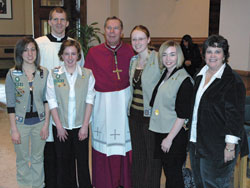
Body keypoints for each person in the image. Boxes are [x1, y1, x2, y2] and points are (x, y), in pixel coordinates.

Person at [188, 35, 249, 188]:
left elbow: (235, 117)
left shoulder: (232, 80)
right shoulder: (199, 76)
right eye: (209, 51)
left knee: (215, 184)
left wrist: (230, 146)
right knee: (199, 183)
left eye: (217, 51)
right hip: (197, 141)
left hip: (219, 145)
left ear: (224, 55)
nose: (213, 55)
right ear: (204, 54)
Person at [35, 7, 84, 187]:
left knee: (67, 153)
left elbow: (82, 76)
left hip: (69, 109)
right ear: (49, 22)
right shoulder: (39, 44)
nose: (58, 23)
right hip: (47, 105)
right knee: (49, 151)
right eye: (55, 19)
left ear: (67, 23)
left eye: (62, 19)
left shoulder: (73, 44)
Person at [84, 16, 134, 188]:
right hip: (102, 107)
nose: (112, 32)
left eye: (116, 28)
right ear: (104, 30)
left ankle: (125, 182)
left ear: (122, 32)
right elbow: (87, 84)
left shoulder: (130, 51)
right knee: (104, 146)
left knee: (125, 145)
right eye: (109, 28)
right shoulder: (93, 53)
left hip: (124, 106)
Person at [46, 39, 95, 188]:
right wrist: (59, 127)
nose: (70, 57)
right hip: (61, 127)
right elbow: (52, 101)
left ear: (78, 56)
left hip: (81, 126)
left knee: (82, 163)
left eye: (73, 54)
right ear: (61, 55)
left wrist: (85, 126)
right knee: (63, 164)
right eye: (66, 54)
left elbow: (89, 100)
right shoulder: (54, 74)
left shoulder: (87, 74)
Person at [5, 37, 49, 188]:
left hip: (40, 123)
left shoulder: (44, 73)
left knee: (38, 158)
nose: (30, 54)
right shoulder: (12, 74)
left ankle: (38, 185)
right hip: (20, 124)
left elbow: (47, 100)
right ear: (20, 53)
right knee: (22, 158)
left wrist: (46, 125)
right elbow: (10, 104)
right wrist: (14, 129)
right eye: (25, 50)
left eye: (32, 49)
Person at [149, 40, 193, 188]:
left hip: (173, 135)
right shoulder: (166, 74)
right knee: (169, 173)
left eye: (172, 55)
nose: (168, 59)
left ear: (179, 56)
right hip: (163, 131)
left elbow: (182, 115)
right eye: (165, 55)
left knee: (174, 176)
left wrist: (169, 139)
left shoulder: (184, 79)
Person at [128, 25, 162, 188]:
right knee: (139, 156)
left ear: (148, 40)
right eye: (134, 39)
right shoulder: (133, 61)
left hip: (151, 117)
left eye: (141, 38)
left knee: (152, 158)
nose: (137, 42)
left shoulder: (158, 59)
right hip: (134, 115)